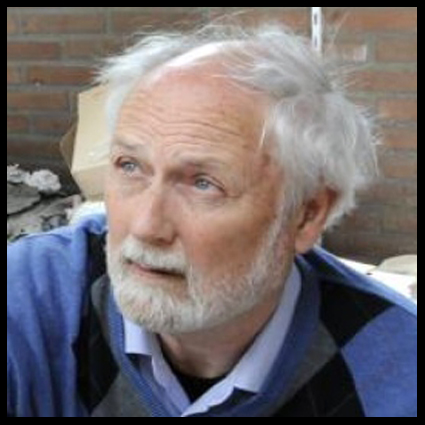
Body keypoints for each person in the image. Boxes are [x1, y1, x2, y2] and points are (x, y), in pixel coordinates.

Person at [7, 22, 417, 417]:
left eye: (203, 184)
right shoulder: (31, 296)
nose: (146, 227)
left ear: (306, 215)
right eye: (129, 166)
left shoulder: (398, 372)